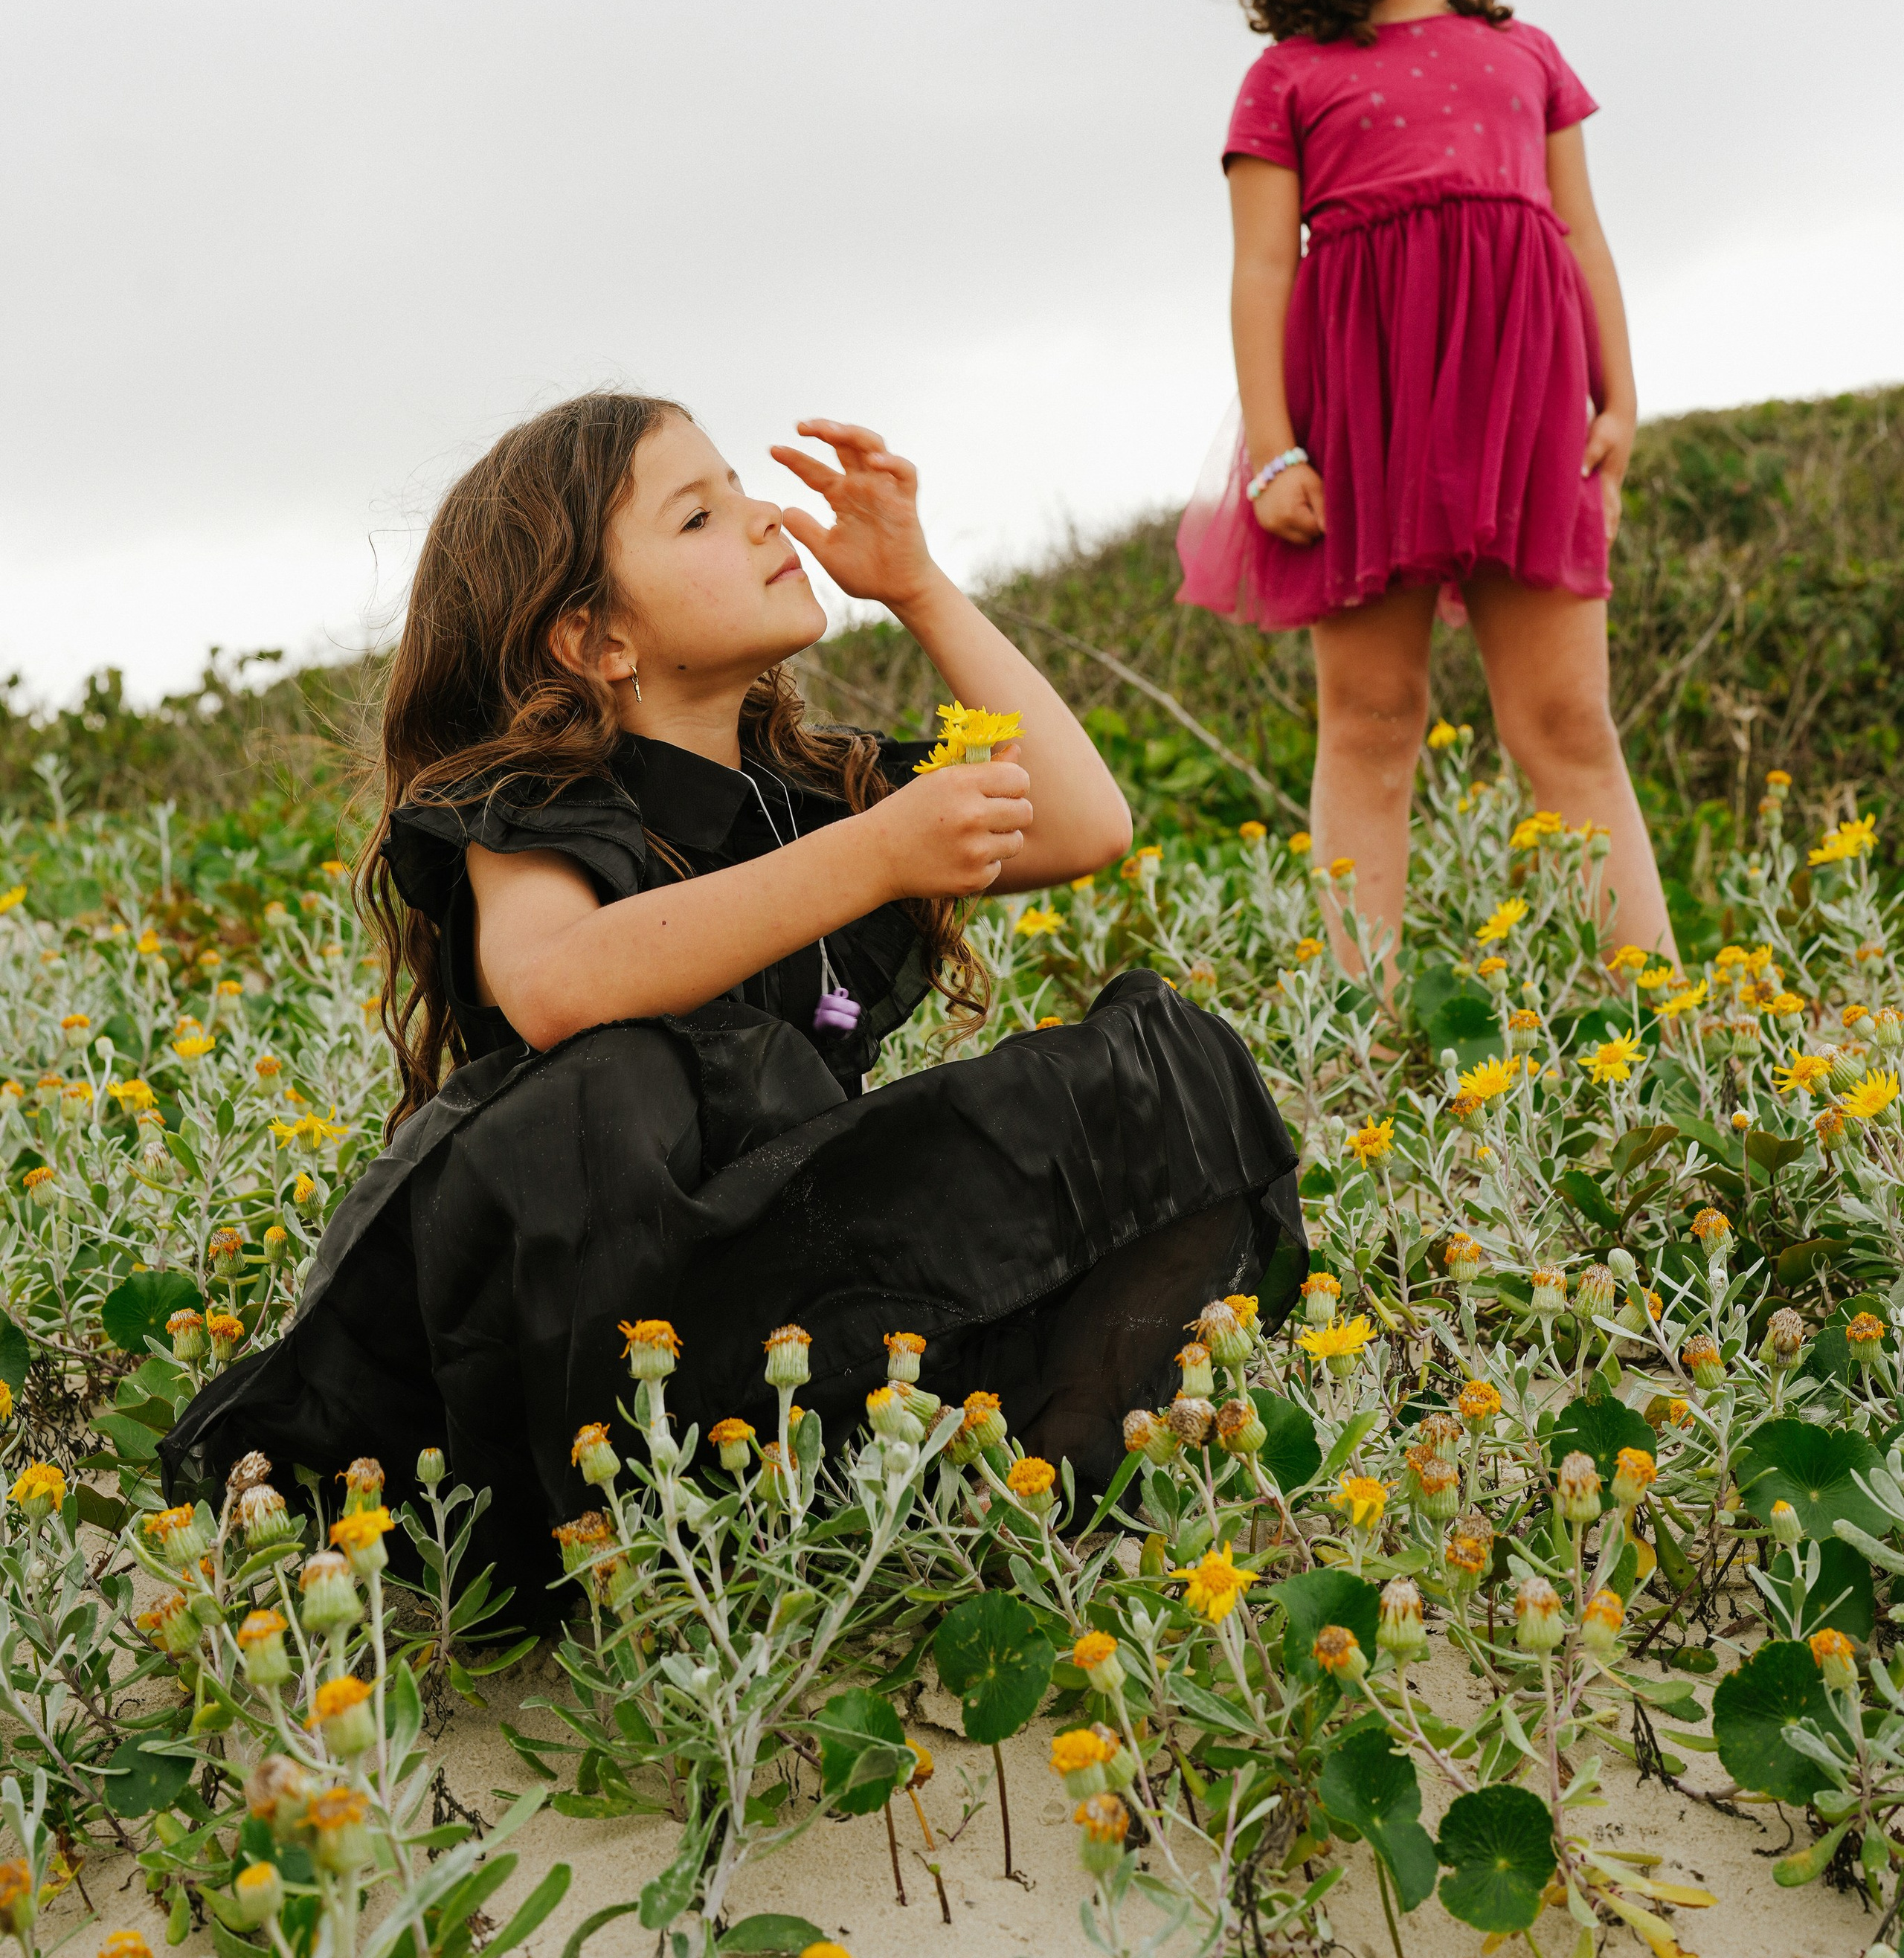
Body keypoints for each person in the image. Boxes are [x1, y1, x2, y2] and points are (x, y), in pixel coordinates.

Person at [167, 393, 1305, 1596]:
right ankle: (609, 1554)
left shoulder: (811, 788)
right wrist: (873, 857)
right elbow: (555, 984)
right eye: (701, 514)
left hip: (778, 1319)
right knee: (617, 1079)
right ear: (597, 640)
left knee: (1162, 1072)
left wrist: (917, 585)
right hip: (573, 1355)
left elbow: (1083, 821)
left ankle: (947, 1494)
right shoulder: (531, 806)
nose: (766, 519)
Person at [1176, 0, 1671, 964]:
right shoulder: (1287, 76)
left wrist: (1621, 394)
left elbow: (1582, 233)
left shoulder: (1527, 55)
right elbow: (1260, 272)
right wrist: (1276, 447)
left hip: (1527, 410)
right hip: (1365, 422)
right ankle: (1355, 1021)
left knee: (1567, 722)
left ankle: (1662, 1014)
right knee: (1371, 721)